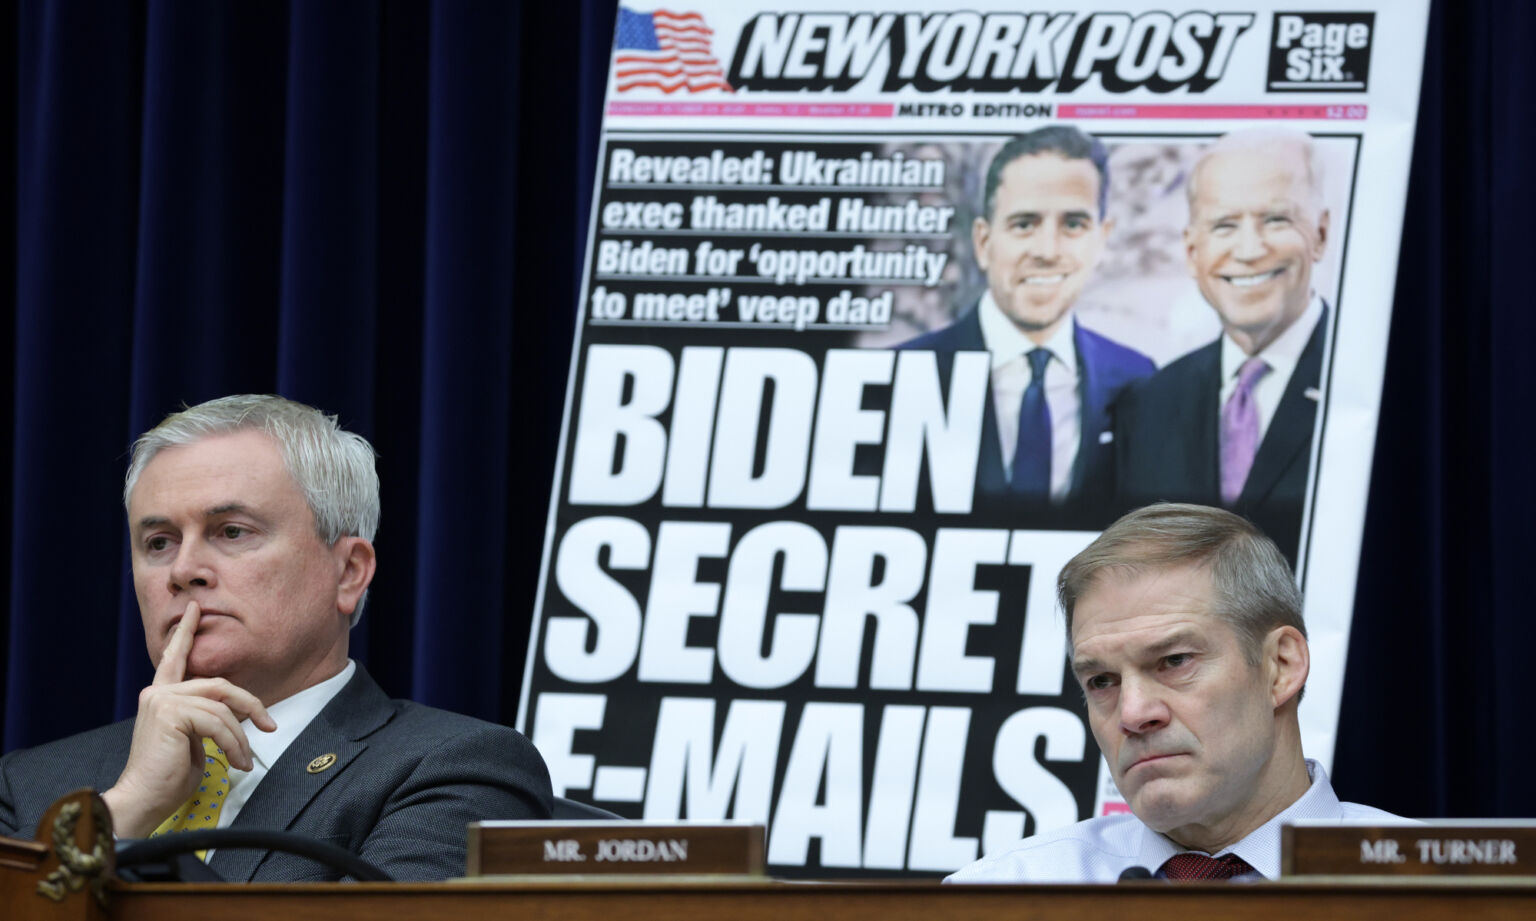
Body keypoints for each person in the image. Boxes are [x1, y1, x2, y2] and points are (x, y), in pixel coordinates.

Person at [0, 395, 553, 880]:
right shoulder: (32, 785)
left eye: (232, 532)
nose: (183, 569)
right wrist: (126, 812)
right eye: (160, 542)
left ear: (349, 573)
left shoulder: (455, 769)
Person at [948, 503, 1405, 883]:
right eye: (1102, 681)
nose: (1133, 713)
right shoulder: (1000, 895)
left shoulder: (1436, 887)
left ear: (1280, 667)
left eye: (1174, 661)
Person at [904, 126, 1153, 510]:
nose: (1047, 251)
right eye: (1024, 224)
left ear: (1101, 240)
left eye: (1073, 224)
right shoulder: (902, 373)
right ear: (984, 243)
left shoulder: (1137, 378)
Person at [1115, 129, 1331, 567]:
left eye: (1276, 219)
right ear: (1193, 251)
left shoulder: (1376, 386)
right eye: (1225, 225)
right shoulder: (1147, 406)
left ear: (1320, 234)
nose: (1249, 250)